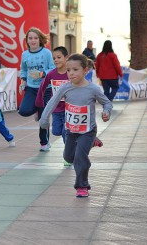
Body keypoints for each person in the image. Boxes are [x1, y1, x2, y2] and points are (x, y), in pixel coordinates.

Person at [39, 54, 112, 198]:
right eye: (68, 70)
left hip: (88, 130)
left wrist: (106, 112)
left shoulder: (93, 89)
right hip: (71, 130)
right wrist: (44, 120)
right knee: (68, 156)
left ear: (85, 70)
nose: (71, 73)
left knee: (80, 157)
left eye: (75, 69)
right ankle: (91, 144)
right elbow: (52, 102)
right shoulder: (65, 88)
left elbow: (107, 102)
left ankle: (82, 186)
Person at [18, 27, 55, 149]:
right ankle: (36, 109)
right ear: (27, 40)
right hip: (31, 88)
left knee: (43, 118)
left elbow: (53, 68)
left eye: (35, 38)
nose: (33, 40)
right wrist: (23, 80)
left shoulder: (46, 53)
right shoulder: (25, 54)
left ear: (40, 40)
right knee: (23, 111)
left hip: (45, 88)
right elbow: (23, 69)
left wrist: (42, 74)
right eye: (30, 38)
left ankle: (44, 143)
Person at [35, 46, 69, 154]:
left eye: (59, 57)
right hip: (56, 109)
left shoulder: (70, 73)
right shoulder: (51, 74)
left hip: (69, 109)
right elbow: (42, 88)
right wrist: (39, 103)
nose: (56, 60)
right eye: (54, 58)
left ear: (66, 58)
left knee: (65, 132)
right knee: (56, 131)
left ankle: (68, 154)